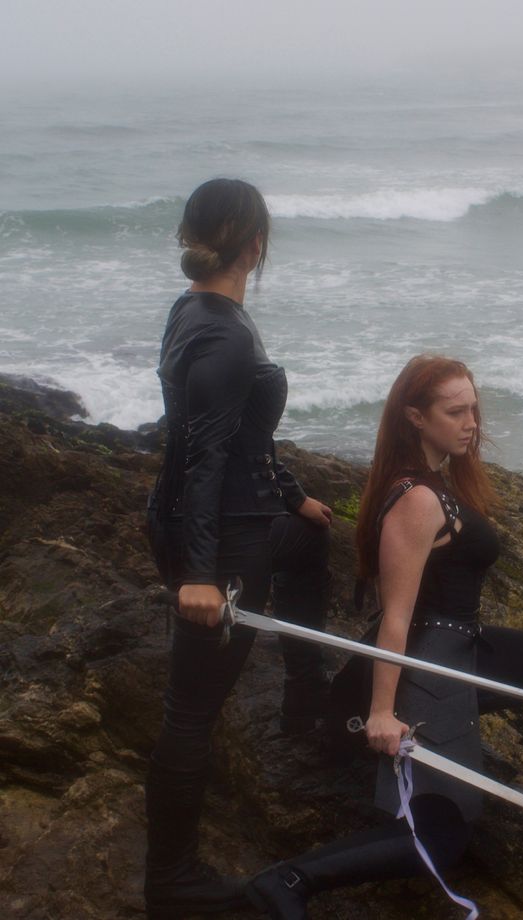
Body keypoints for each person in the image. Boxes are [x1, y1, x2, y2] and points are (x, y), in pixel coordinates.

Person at [245, 354, 523, 919]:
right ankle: (289, 880)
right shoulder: (417, 500)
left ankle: (444, 723)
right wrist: (381, 711)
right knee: (442, 839)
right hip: (419, 665)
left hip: (458, 647)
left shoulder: (440, 480)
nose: (472, 422)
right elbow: (394, 618)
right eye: (456, 411)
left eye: (474, 407)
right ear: (415, 417)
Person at [145, 178, 333, 919]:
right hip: (223, 541)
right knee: (190, 709)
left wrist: (293, 497)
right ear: (255, 245)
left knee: (311, 541)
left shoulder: (195, 312)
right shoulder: (225, 333)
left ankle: (302, 700)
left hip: (242, 518)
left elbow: (239, 437)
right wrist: (197, 576)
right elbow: (204, 456)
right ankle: (172, 879)